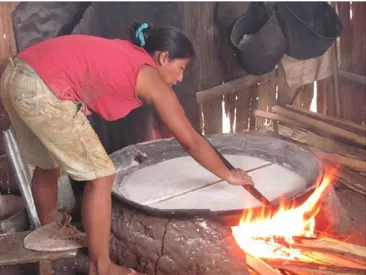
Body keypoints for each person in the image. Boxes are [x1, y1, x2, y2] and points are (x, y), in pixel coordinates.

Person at [0, 22, 254, 275]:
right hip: (42, 89)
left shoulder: (126, 55)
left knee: (47, 165)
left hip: (15, 76)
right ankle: (102, 268)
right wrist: (229, 175)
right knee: (101, 176)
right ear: (164, 58)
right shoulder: (148, 74)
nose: (180, 78)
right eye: (181, 69)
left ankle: (49, 233)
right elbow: (190, 140)